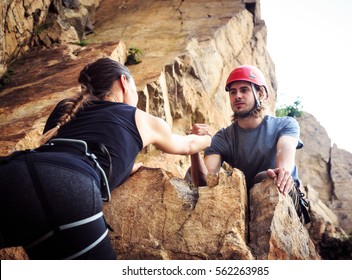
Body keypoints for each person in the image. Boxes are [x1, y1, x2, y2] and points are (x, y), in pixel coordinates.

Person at [0, 57, 211, 260]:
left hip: (14, 170)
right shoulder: (139, 118)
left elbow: (51, 160)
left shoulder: (65, 109)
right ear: (123, 82)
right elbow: (188, 145)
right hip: (70, 186)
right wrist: (208, 139)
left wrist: (123, 168)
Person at [189, 65, 310, 224]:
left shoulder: (285, 124)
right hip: (249, 203)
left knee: (266, 177)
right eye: (233, 92)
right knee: (191, 172)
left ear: (260, 93)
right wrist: (193, 149)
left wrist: (283, 171)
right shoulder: (223, 137)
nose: (237, 96)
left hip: (286, 194)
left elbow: (284, 154)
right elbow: (205, 182)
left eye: (244, 90)